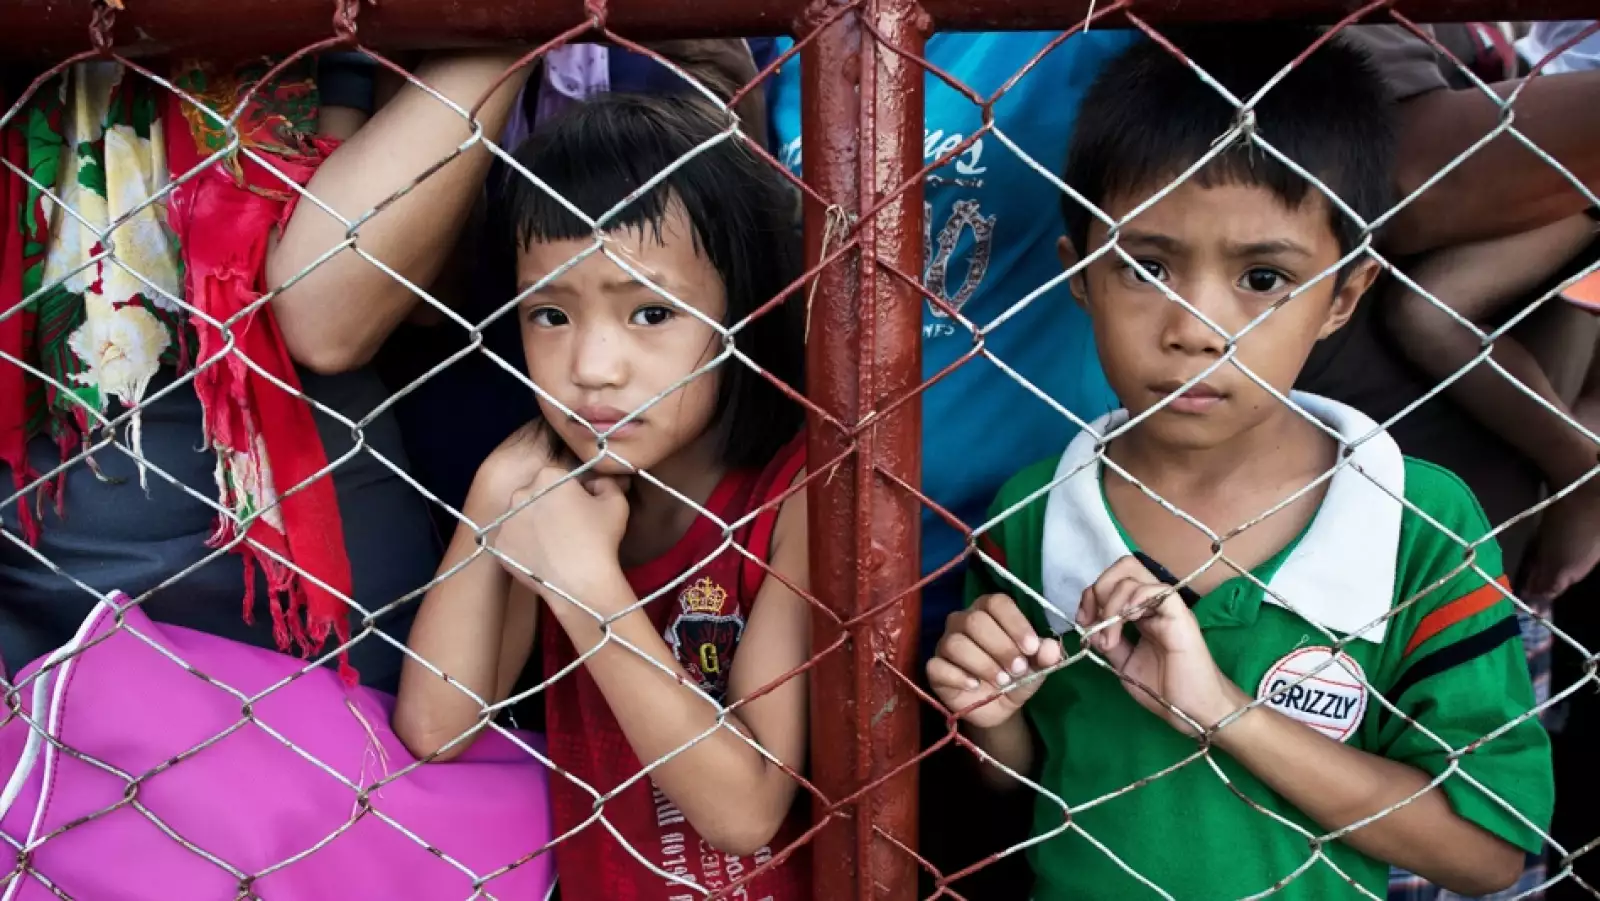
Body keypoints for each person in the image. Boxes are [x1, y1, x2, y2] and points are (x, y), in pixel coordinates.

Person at [928, 29, 1554, 900]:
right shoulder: (1032, 511)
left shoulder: (1416, 522)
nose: (1194, 328)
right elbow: (1034, 779)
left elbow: (1484, 852)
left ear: (1343, 296)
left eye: (1263, 278)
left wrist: (1225, 712)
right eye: (1146, 267)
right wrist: (991, 718)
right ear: (1077, 276)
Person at [393, 95, 812, 900]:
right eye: (549, 313)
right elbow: (436, 724)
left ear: (745, 315)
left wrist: (585, 584)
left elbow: (749, 806)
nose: (591, 367)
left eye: (651, 312)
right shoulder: (545, 485)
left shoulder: (794, 495)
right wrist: (495, 492)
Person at [0, 51, 519, 690]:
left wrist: (508, 38)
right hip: (52, 608)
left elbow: (325, 322)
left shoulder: (306, 38)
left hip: (311, 599)